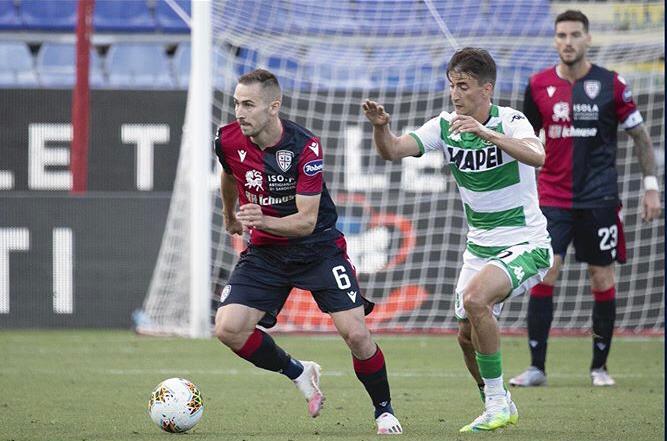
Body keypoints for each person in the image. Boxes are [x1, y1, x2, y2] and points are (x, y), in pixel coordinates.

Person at [362, 48, 553, 433]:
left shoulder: (512, 120)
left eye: (463, 86)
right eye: (452, 86)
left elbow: (538, 156)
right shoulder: (445, 126)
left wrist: (486, 133)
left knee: (475, 299)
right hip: (479, 248)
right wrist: (381, 127)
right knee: (466, 337)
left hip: (526, 242)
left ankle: (498, 402)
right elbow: (394, 151)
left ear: (487, 89)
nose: (455, 95)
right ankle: (496, 403)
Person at [213, 69, 403, 435]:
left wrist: (260, 220)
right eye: (237, 103)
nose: (239, 112)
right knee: (229, 329)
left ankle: (384, 411)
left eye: (248, 104)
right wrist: (229, 214)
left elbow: (306, 222)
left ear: (273, 106)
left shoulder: (304, 146)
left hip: (318, 249)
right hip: (267, 254)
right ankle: (299, 371)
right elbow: (228, 171)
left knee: (356, 335)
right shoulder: (227, 139)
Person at [509, 10, 662, 388]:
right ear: (555, 40)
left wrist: (651, 186)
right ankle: (537, 368)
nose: (568, 42)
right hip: (552, 198)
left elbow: (640, 136)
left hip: (599, 199)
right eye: (561, 35)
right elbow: (524, 139)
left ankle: (599, 367)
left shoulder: (612, 84)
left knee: (601, 276)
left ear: (587, 39)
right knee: (546, 271)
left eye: (575, 34)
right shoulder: (538, 84)